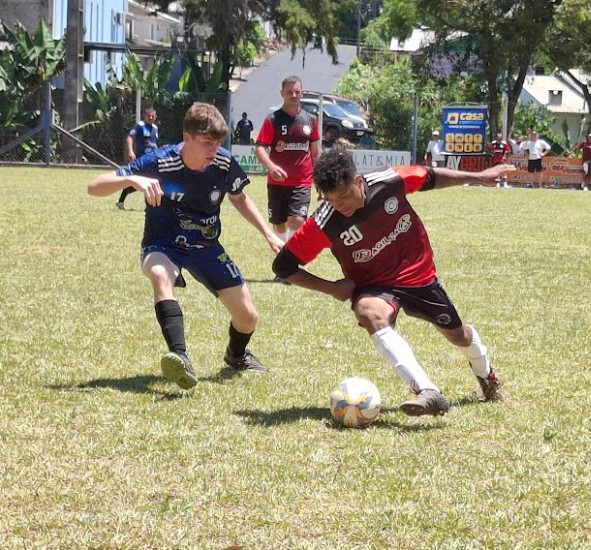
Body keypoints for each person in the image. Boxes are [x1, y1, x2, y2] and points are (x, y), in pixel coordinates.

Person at [272, 143, 511, 416]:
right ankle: (427, 391)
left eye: (345, 196)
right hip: (375, 286)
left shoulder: (390, 181)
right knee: (369, 313)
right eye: (331, 200)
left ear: (358, 181)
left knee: (459, 336)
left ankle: (487, 374)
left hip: (418, 274)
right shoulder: (325, 222)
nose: (340, 205)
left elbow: (431, 176)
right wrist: (331, 288)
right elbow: (283, 265)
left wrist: (479, 178)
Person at [88, 102, 284, 390]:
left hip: (206, 245)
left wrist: (268, 234)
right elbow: (94, 187)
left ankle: (236, 354)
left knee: (248, 317)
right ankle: (180, 357)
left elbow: (239, 198)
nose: (213, 151)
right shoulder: (159, 161)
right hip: (163, 243)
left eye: (217, 143)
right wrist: (132, 179)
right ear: (187, 137)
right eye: (206, 143)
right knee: (159, 274)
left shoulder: (223, 163)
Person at [255, 76, 321, 246]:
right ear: (282, 94)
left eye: (297, 92)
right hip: (277, 183)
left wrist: (321, 180)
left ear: (302, 93)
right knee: (279, 223)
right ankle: (283, 252)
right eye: (289, 92)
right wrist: (271, 167)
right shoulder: (273, 120)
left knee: (297, 220)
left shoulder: (311, 120)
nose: (293, 95)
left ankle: (289, 259)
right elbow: (260, 148)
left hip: (302, 181)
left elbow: (315, 153)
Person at [116, 107, 158, 209]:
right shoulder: (140, 126)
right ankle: (121, 201)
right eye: (149, 116)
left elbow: (153, 144)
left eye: (153, 116)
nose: (151, 118)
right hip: (142, 160)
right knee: (142, 181)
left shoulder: (155, 128)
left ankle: (150, 205)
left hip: (152, 160)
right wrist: (130, 151)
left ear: (156, 117)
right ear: (145, 116)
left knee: (151, 181)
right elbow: (130, 137)